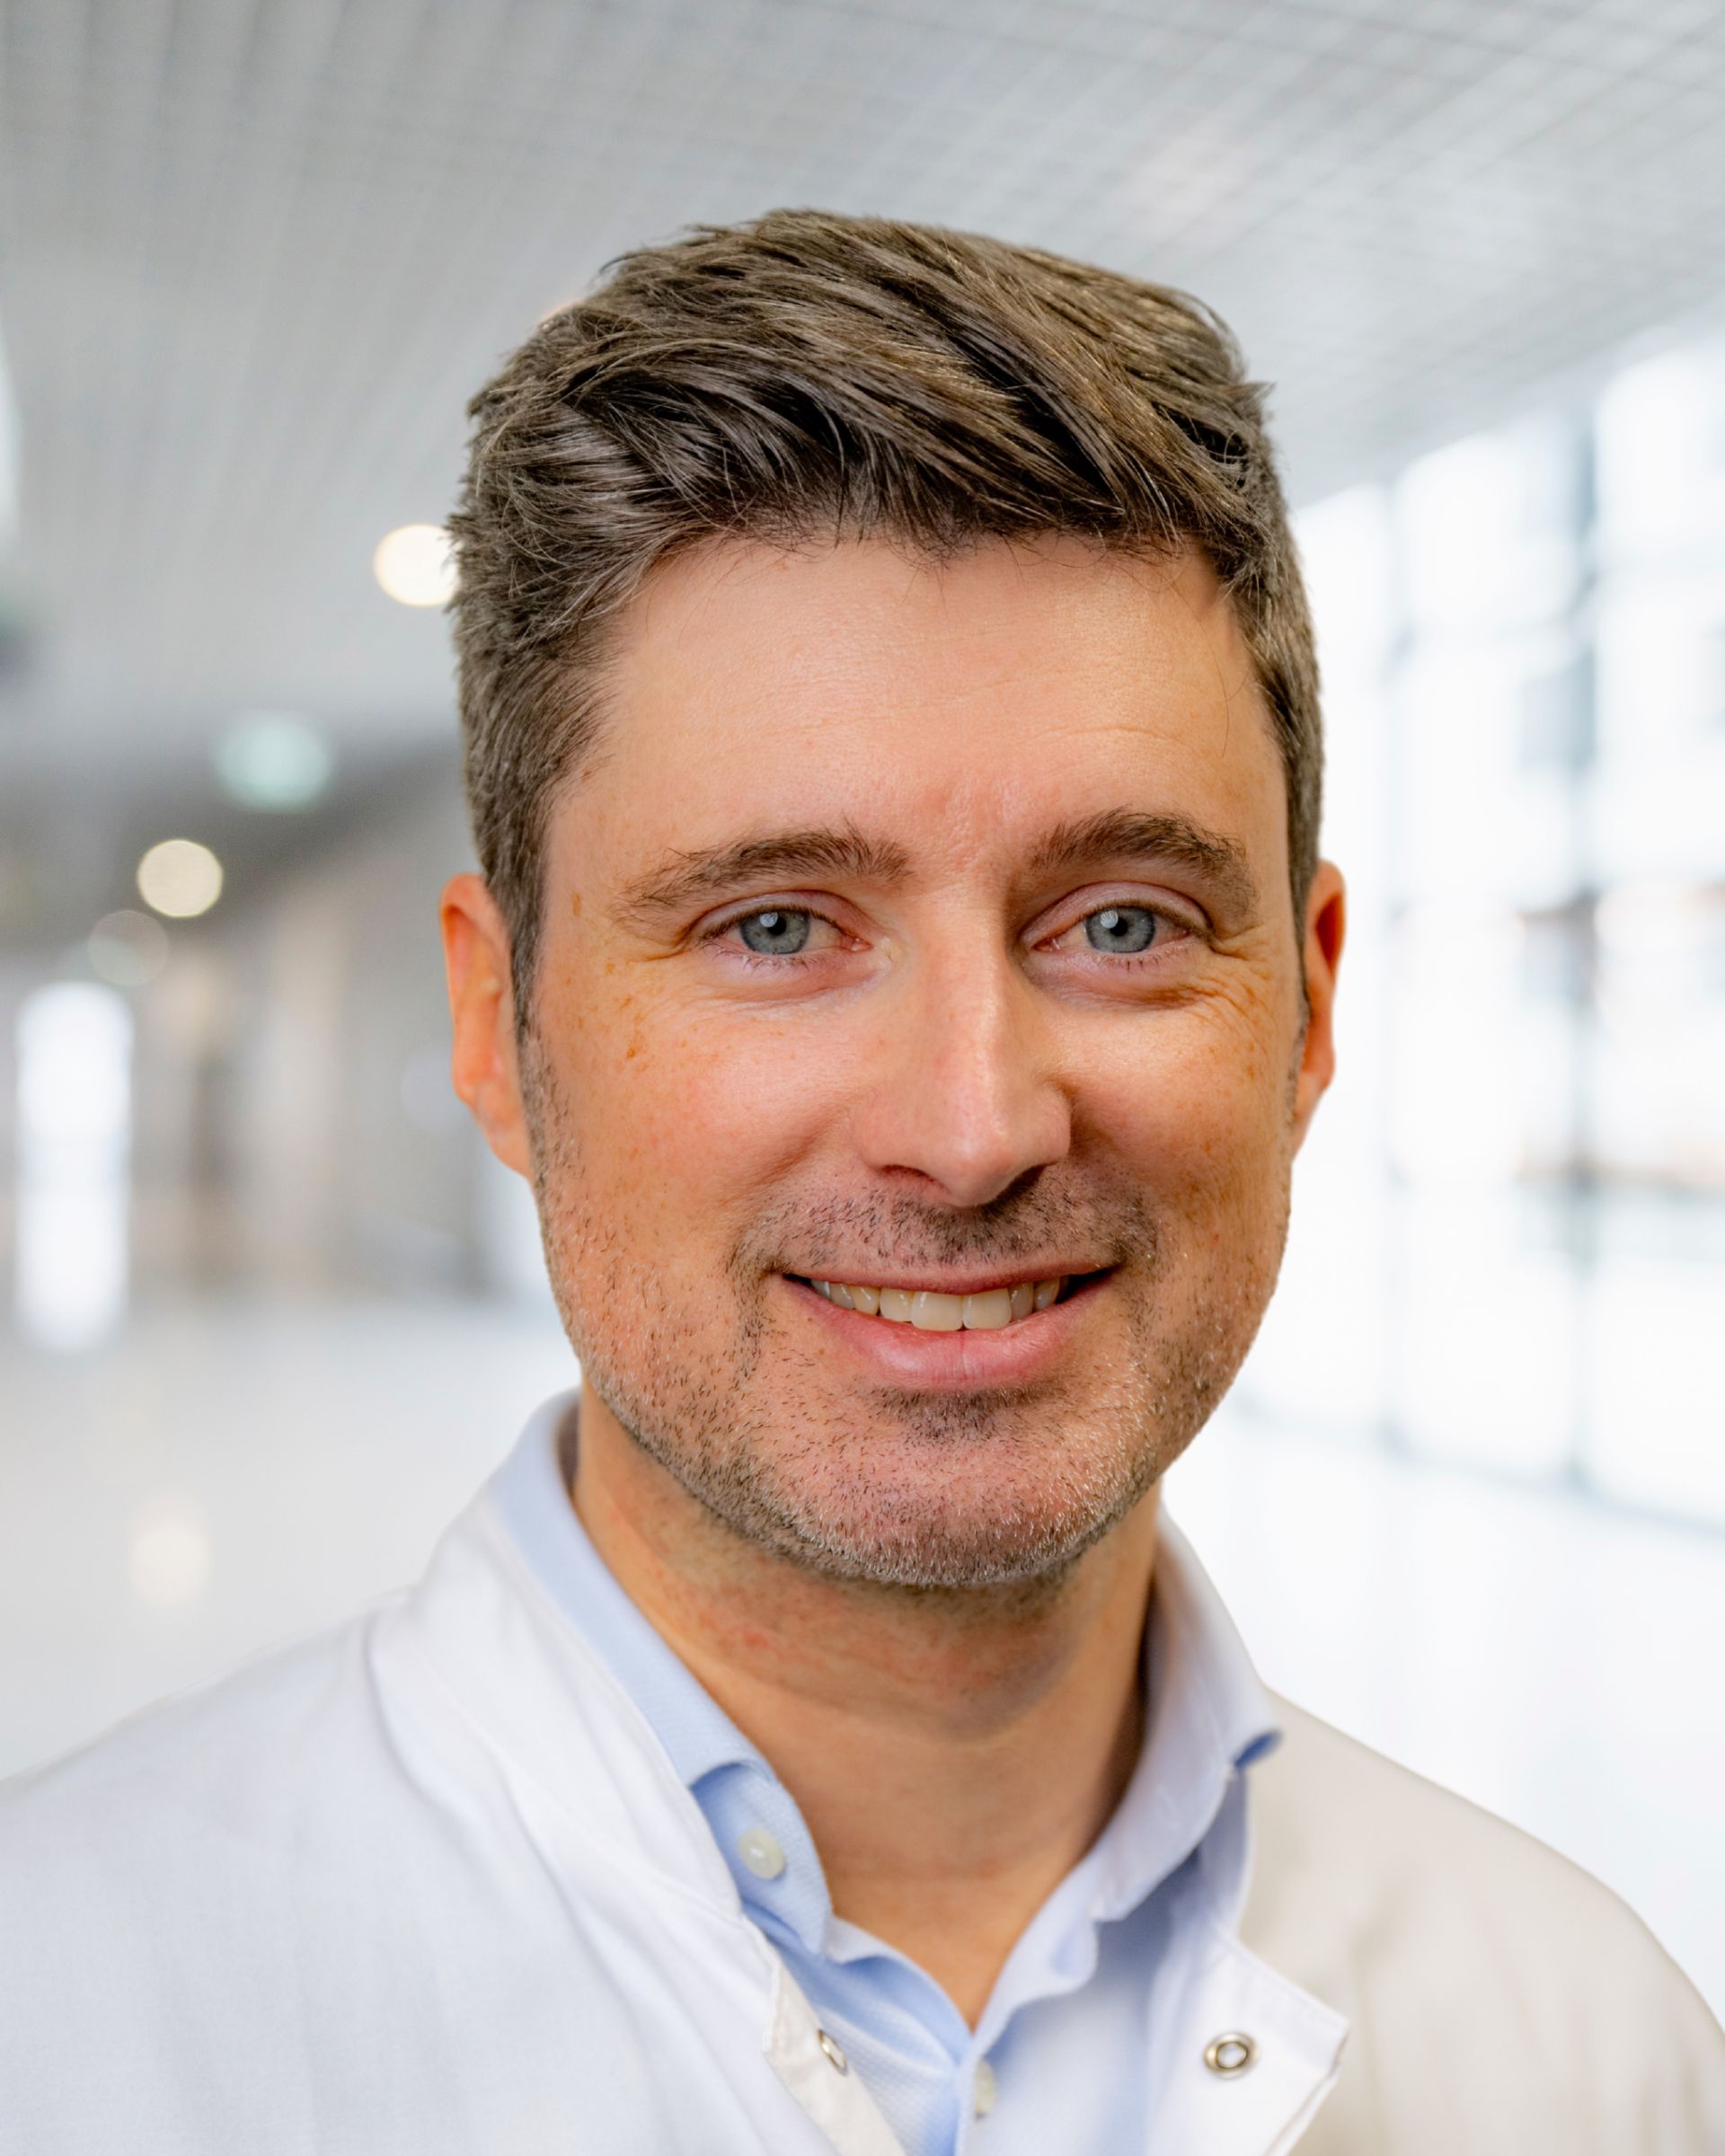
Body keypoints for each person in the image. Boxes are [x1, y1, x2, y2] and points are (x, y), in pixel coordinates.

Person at [1, 210, 1720, 2156]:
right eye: (776, 927)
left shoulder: (1599, 2058)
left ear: (1309, 1010)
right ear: (498, 1026)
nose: (975, 1128)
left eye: (1124, 923)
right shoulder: (64, 2020)